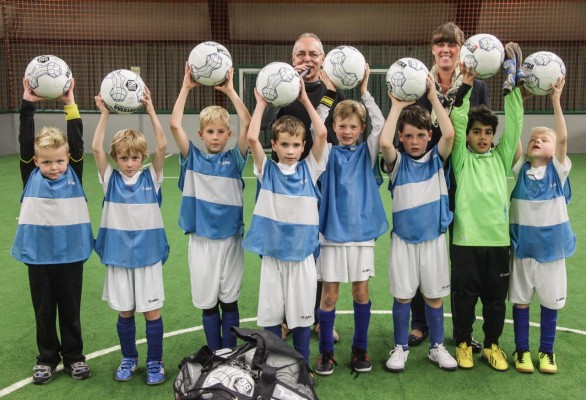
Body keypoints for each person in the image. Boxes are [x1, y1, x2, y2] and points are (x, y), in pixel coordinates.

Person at [408, 22, 490, 352]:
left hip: (462, 180)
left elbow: (480, 128)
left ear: (461, 50)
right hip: (424, 180)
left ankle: (462, 328)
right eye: (440, 44)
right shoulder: (416, 82)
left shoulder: (478, 87)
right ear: (432, 49)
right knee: (417, 249)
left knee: (461, 257)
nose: (446, 50)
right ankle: (419, 322)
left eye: (452, 45)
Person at [262, 32, 343, 341]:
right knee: (285, 252)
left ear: (322, 59)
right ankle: (284, 318)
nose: (306, 59)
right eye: (300, 54)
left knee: (319, 251)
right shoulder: (280, 87)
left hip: (319, 181)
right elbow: (263, 124)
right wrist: (276, 94)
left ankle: (319, 319)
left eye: (313, 54)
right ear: (292, 58)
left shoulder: (332, 90)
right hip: (283, 187)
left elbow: (334, 135)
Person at [12, 78, 93, 385]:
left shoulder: (75, 170)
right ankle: (47, 358)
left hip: (71, 253)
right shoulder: (29, 174)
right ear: (35, 161)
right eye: (47, 162)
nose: (55, 166)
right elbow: (24, 139)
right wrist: (28, 104)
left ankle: (74, 357)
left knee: (70, 309)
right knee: (44, 309)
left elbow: (76, 138)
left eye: (59, 160)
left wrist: (69, 103)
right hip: (38, 255)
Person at [243, 80, 327, 373]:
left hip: (302, 256)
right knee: (269, 315)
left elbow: (323, 133)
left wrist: (305, 100)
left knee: (303, 317)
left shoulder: (310, 168)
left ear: (303, 146)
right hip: (274, 256)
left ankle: (301, 367)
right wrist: (262, 103)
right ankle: (268, 366)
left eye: (295, 145)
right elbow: (252, 139)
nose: (290, 150)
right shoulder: (267, 170)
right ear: (274, 145)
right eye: (284, 145)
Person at [449, 51, 524, 371]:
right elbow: (457, 117)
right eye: (477, 132)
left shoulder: (500, 158)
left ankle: (492, 345)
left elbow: (516, 122)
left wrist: (513, 86)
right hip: (466, 242)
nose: (483, 137)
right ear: (468, 135)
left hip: (497, 242)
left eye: (488, 132)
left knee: (496, 301)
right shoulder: (461, 160)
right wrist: (465, 85)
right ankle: (464, 344)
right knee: (464, 299)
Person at [169, 64, 250, 351]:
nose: (215, 137)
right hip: (201, 240)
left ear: (228, 135)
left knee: (229, 299)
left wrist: (230, 91)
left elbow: (249, 125)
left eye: (220, 132)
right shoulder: (192, 159)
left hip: (230, 239)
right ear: (201, 134)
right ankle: (216, 352)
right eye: (210, 132)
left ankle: (230, 352)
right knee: (207, 302)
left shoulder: (236, 160)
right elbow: (175, 125)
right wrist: (186, 88)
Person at [380, 74, 458, 372]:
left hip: (434, 239)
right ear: (402, 137)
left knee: (434, 297)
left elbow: (449, 135)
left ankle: (437, 347)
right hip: (404, 241)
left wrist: (434, 97)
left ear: (429, 136)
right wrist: (397, 106)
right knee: (403, 296)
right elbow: (385, 141)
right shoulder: (397, 164)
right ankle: (399, 348)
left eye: (421, 135)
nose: (414, 141)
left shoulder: (437, 160)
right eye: (409, 136)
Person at [314, 66, 388, 376]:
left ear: (361, 129)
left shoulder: (367, 154)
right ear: (334, 126)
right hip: (330, 233)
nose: (346, 131)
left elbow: (381, 124)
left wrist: (365, 90)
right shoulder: (325, 152)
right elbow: (314, 126)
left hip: (361, 234)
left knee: (361, 292)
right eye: (341, 125)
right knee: (329, 294)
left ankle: (360, 347)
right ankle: (326, 353)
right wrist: (329, 94)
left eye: (353, 126)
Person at [93, 87, 169, 385]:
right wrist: (104, 114)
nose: (129, 163)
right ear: (116, 158)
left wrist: (150, 109)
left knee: (151, 312)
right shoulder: (109, 179)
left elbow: (162, 146)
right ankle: (129, 357)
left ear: (142, 157)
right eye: (123, 157)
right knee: (125, 312)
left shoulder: (152, 177)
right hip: (119, 256)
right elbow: (97, 149)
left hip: (148, 255)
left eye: (135, 157)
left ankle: (154, 361)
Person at [509, 77, 574, 374]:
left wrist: (555, 101)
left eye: (543, 139)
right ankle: (521, 351)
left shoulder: (557, 172)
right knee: (520, 302)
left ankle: (546, 352)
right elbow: (514, 138)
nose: (537, 140)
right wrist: (517, 98)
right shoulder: (521, 169)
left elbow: (562, 139)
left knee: (550, 303)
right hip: (523, 251)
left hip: (552, 251)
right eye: (534, 138)